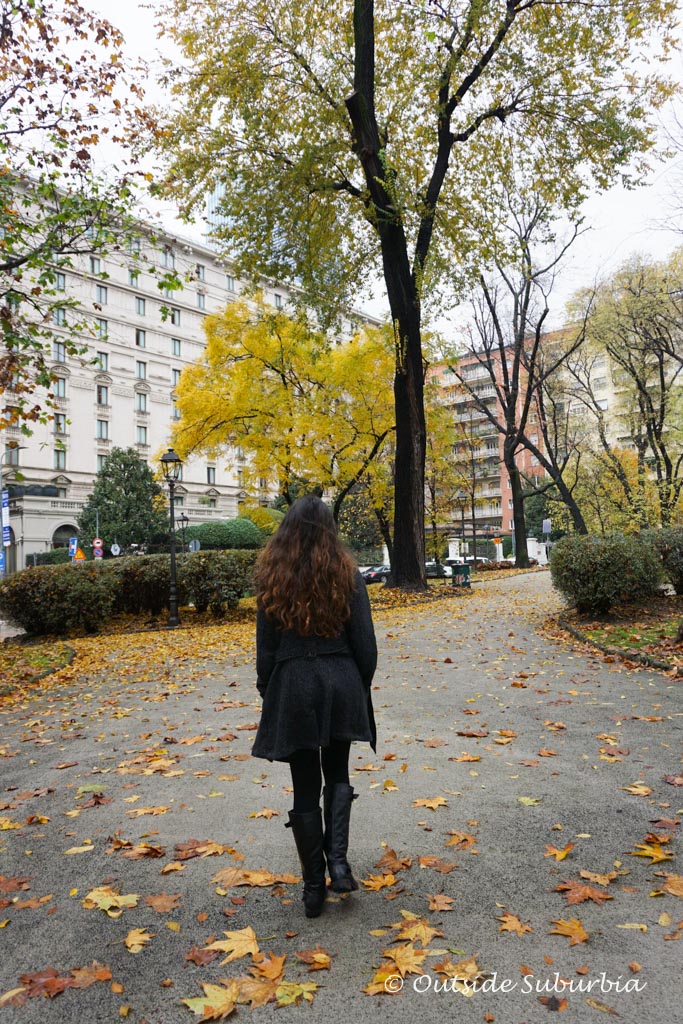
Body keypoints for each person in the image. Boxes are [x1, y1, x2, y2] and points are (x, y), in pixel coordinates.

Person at [251, 494, 378, 918]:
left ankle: (312, 888)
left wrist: (270, 688)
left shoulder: (273, 575)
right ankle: (338, 865)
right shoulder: (347, 573)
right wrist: (358, 686)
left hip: (294, 684)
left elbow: (266, 648)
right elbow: (365, 643)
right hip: (340, 680)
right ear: (330, 530)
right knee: (337, 771)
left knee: (304, 783)